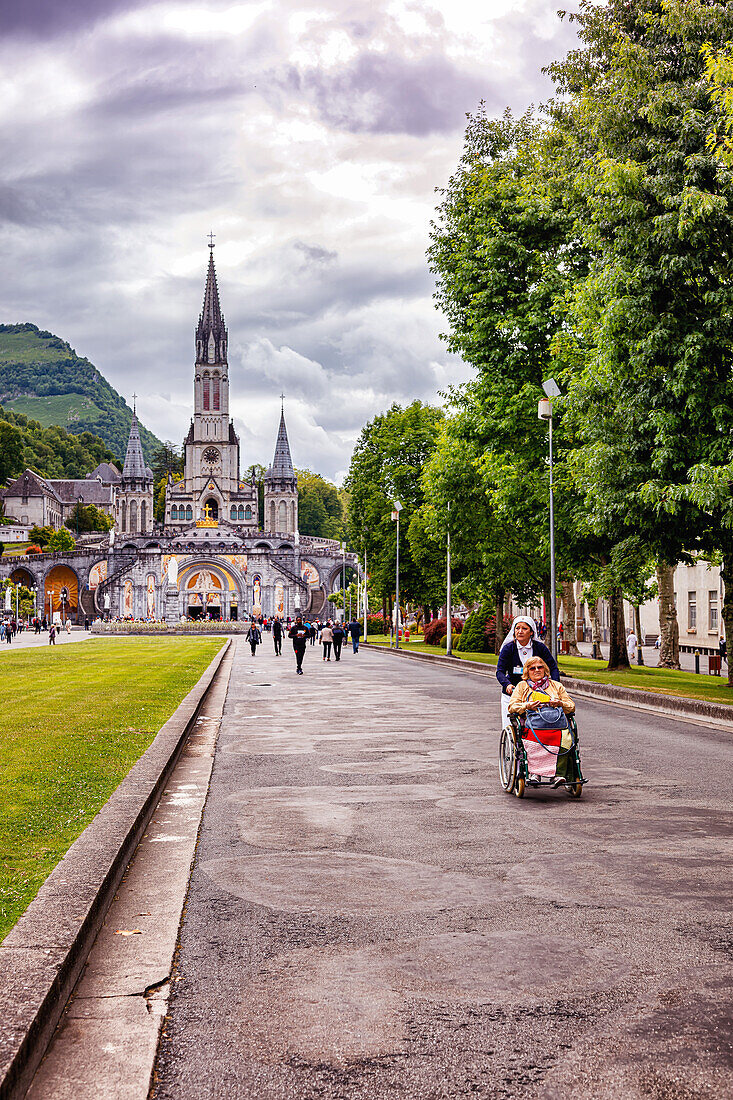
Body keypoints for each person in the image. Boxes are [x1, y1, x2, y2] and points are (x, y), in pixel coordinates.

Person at [508, 656, 575, 783]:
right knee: (531, 741)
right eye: (532, 668)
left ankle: (559, 774)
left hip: (557, 725)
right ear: (527, 672)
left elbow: (571, 706)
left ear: (545, 669)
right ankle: (535, 773)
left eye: (540, 667)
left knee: (566, 739)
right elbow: (512, 707)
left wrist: (560, 703)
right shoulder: (522, 686)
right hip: (533, 726)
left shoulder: (556, 686)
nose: (537, 670)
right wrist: (527, 705)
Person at [496, 615, 559, 727]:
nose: (520, 631)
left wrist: (555, 686)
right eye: (517, 628)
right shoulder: (508, 649)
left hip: (537, 694)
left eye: (524, 628)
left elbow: (553, 668)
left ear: (531, 632)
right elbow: (500, 671)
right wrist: (507, 685)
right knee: (510, 725)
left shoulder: (540, 648)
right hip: (513, 693)